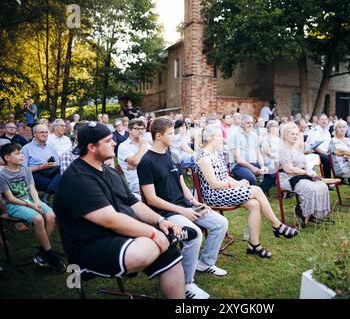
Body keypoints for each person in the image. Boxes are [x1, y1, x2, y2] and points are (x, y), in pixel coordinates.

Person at [53, 122, 189, 299]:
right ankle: (167, 239)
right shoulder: (77, 178)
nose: (114, 143)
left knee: (171, 255)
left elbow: (134, 204)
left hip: (119, 234)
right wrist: (154, 234)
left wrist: (160, 221)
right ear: (92, 147)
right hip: (90, 244)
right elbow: (110, 220)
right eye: (108, 140)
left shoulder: (110, 171)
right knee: (143, 251)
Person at [138, 117, 229, 299]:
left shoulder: (172, 155)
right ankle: (187, 283)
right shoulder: (146, 162)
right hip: (165, 214)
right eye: (171, 133)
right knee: (195, 233)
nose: (175, 136)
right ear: (158, 135)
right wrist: (182, 211)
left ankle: (205, 263)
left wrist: (194, 202)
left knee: (221, 222)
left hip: (185, 207)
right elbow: (151, 199)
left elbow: (182, 184)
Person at [195, 124, 298, 259]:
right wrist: (234, 185)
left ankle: (254, 245)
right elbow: (214, 184)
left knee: (255, 204)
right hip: (213, 195)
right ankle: (277, 225)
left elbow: (225, 175)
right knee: (256, 190)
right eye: (219, 136)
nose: (222, 139)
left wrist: (238, 183)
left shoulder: (218, 152)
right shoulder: (203, 157)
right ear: (209, 138)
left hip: (225, 190)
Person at [0, 143, 65, 272]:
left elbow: (32, 189)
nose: (21, 156)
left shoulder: (25, 170)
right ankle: (50, 255)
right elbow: (10, 198)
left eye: (22, 153)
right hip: (15, 205)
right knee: (38, 219)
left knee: (51, 215)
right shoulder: (2, 175)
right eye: (17, 153)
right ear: (7, 157)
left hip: (31, 200)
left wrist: (37, 202)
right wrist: (30, 205)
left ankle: (42, 253)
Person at [278, 123, 330, 227]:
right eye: (292, 134)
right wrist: (306, 172)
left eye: (296, 134)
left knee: (323, 186)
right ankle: (304, 215)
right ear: (285, 135)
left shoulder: (297, 149)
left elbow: (305, 164)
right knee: (311, 189)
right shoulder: (283, 150)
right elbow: (289, 169)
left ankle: (314, 214)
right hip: (288, 178)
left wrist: (311, 171)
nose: (295, 136)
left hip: (300, 175)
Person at [228, 115, 270, 189]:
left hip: (253, 163)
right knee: (251, 178)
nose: (250, 125)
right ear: (242, 123)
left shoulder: (254, 135)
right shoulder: (234, 134)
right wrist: (252, 168)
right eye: (248, 123)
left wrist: (262, 165)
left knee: (271, 172)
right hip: (238, 165)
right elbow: (237, 158)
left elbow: (258, 153)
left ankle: (260, 191)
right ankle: (251, 193)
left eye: (251, 123)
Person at [22, 124, 61, 203]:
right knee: (62, 183)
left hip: (50, 171)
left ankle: (47, 193)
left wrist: (53, 164)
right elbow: (23, 170)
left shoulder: (51, 147)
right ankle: (50, 191)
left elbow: (58, 163)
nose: (45, 134)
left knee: (64, 169)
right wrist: (41, 167)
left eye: (46, 132)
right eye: (42, 132)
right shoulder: (26, 148)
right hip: (35, 173)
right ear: (35, 134)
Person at [118, 119, 149, 200]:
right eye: (137, 128)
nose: (140, 131)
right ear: (129, 130)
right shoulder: (123, 146)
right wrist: (142, 147)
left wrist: (136, 165)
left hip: (150, 178)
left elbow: (155, 161)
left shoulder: (147, 144)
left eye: (142, 129)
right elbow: (135, 162)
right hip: (136, 183)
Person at [305, 114, 332, 179]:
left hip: (325, 153)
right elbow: (315, 147)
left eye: (325, 119)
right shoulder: (314, 131)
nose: (324, 121)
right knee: (327, 159)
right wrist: (327, 153)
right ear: (318, 121)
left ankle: (341, 179)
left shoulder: (327, 132)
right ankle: (327, 180)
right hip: (313, 153)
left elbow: (329, 145)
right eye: (322, 119)